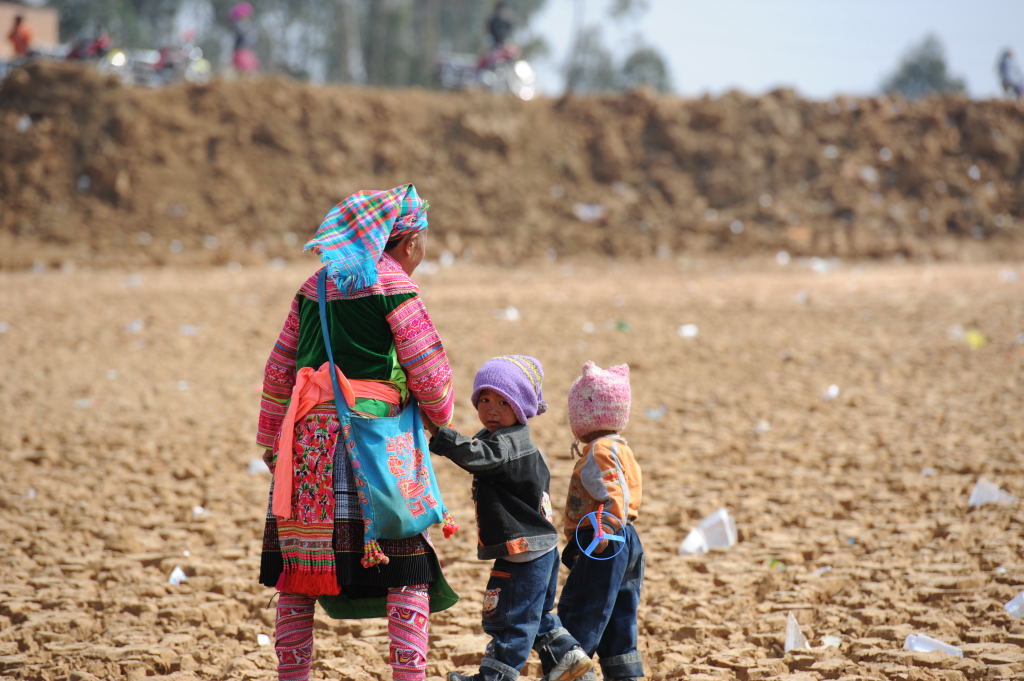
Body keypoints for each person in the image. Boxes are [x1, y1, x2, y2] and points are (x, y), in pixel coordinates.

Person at [257, 184, 457, 681]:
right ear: (408, 241)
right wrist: (439, 415)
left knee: (298, 573)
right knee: (406, 565)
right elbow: (429, 371)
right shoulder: (394, 285)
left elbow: (279, 369)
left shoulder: (313, 286)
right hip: (374, 441)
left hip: (305, 442)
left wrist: (270, 439)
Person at [427, 356, 593, 681]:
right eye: (484, 399)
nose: (491, 409)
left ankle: (496, 677)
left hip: (524, 552)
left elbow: (477, 455)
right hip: (542, 549)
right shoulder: (515, 441)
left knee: (509, 618)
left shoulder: (508, 445)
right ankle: (572, 662)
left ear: (521, 407)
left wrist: (438, 432)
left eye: (503, 402)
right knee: (538, 616)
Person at [557, 362, 645, 681]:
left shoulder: (599, 451)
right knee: (619, 612)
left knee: (584, 605)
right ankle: (626, 673)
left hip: (604, 540)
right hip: (628, 538)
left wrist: (604, 527)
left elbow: (614, 491)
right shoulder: (622, 447)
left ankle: (572, 671)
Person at [229, 2, 260, 74]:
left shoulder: (242, 25)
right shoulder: (240, 25)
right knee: (247, 72)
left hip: (244, 52)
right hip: (242, 52)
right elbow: (247, 38)